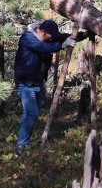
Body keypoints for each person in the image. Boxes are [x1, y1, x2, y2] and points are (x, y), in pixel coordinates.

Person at [13, 20, 86, 156]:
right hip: (25, 83)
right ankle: (21, 147)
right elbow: (42, 47)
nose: (51, 38)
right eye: (49, 36)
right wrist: (61, 46)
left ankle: (26, 141)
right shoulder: (27, 38)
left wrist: (85, 34)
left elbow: (67, 36)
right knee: (31, 113)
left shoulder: (48, 36)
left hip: (38, 82)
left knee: (36, 111)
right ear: (41, 31)